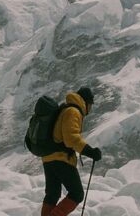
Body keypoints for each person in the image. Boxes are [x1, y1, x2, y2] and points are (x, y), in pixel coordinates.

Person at [41, 87, 103, 216]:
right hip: (61, 158)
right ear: (86, 102)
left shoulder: (65, 109)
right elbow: (71, 138)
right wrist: (90, 151)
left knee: (52, 194)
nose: (91, 108)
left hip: (48, 158)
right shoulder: (73, 111)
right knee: (77, 194)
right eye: (91, 104)